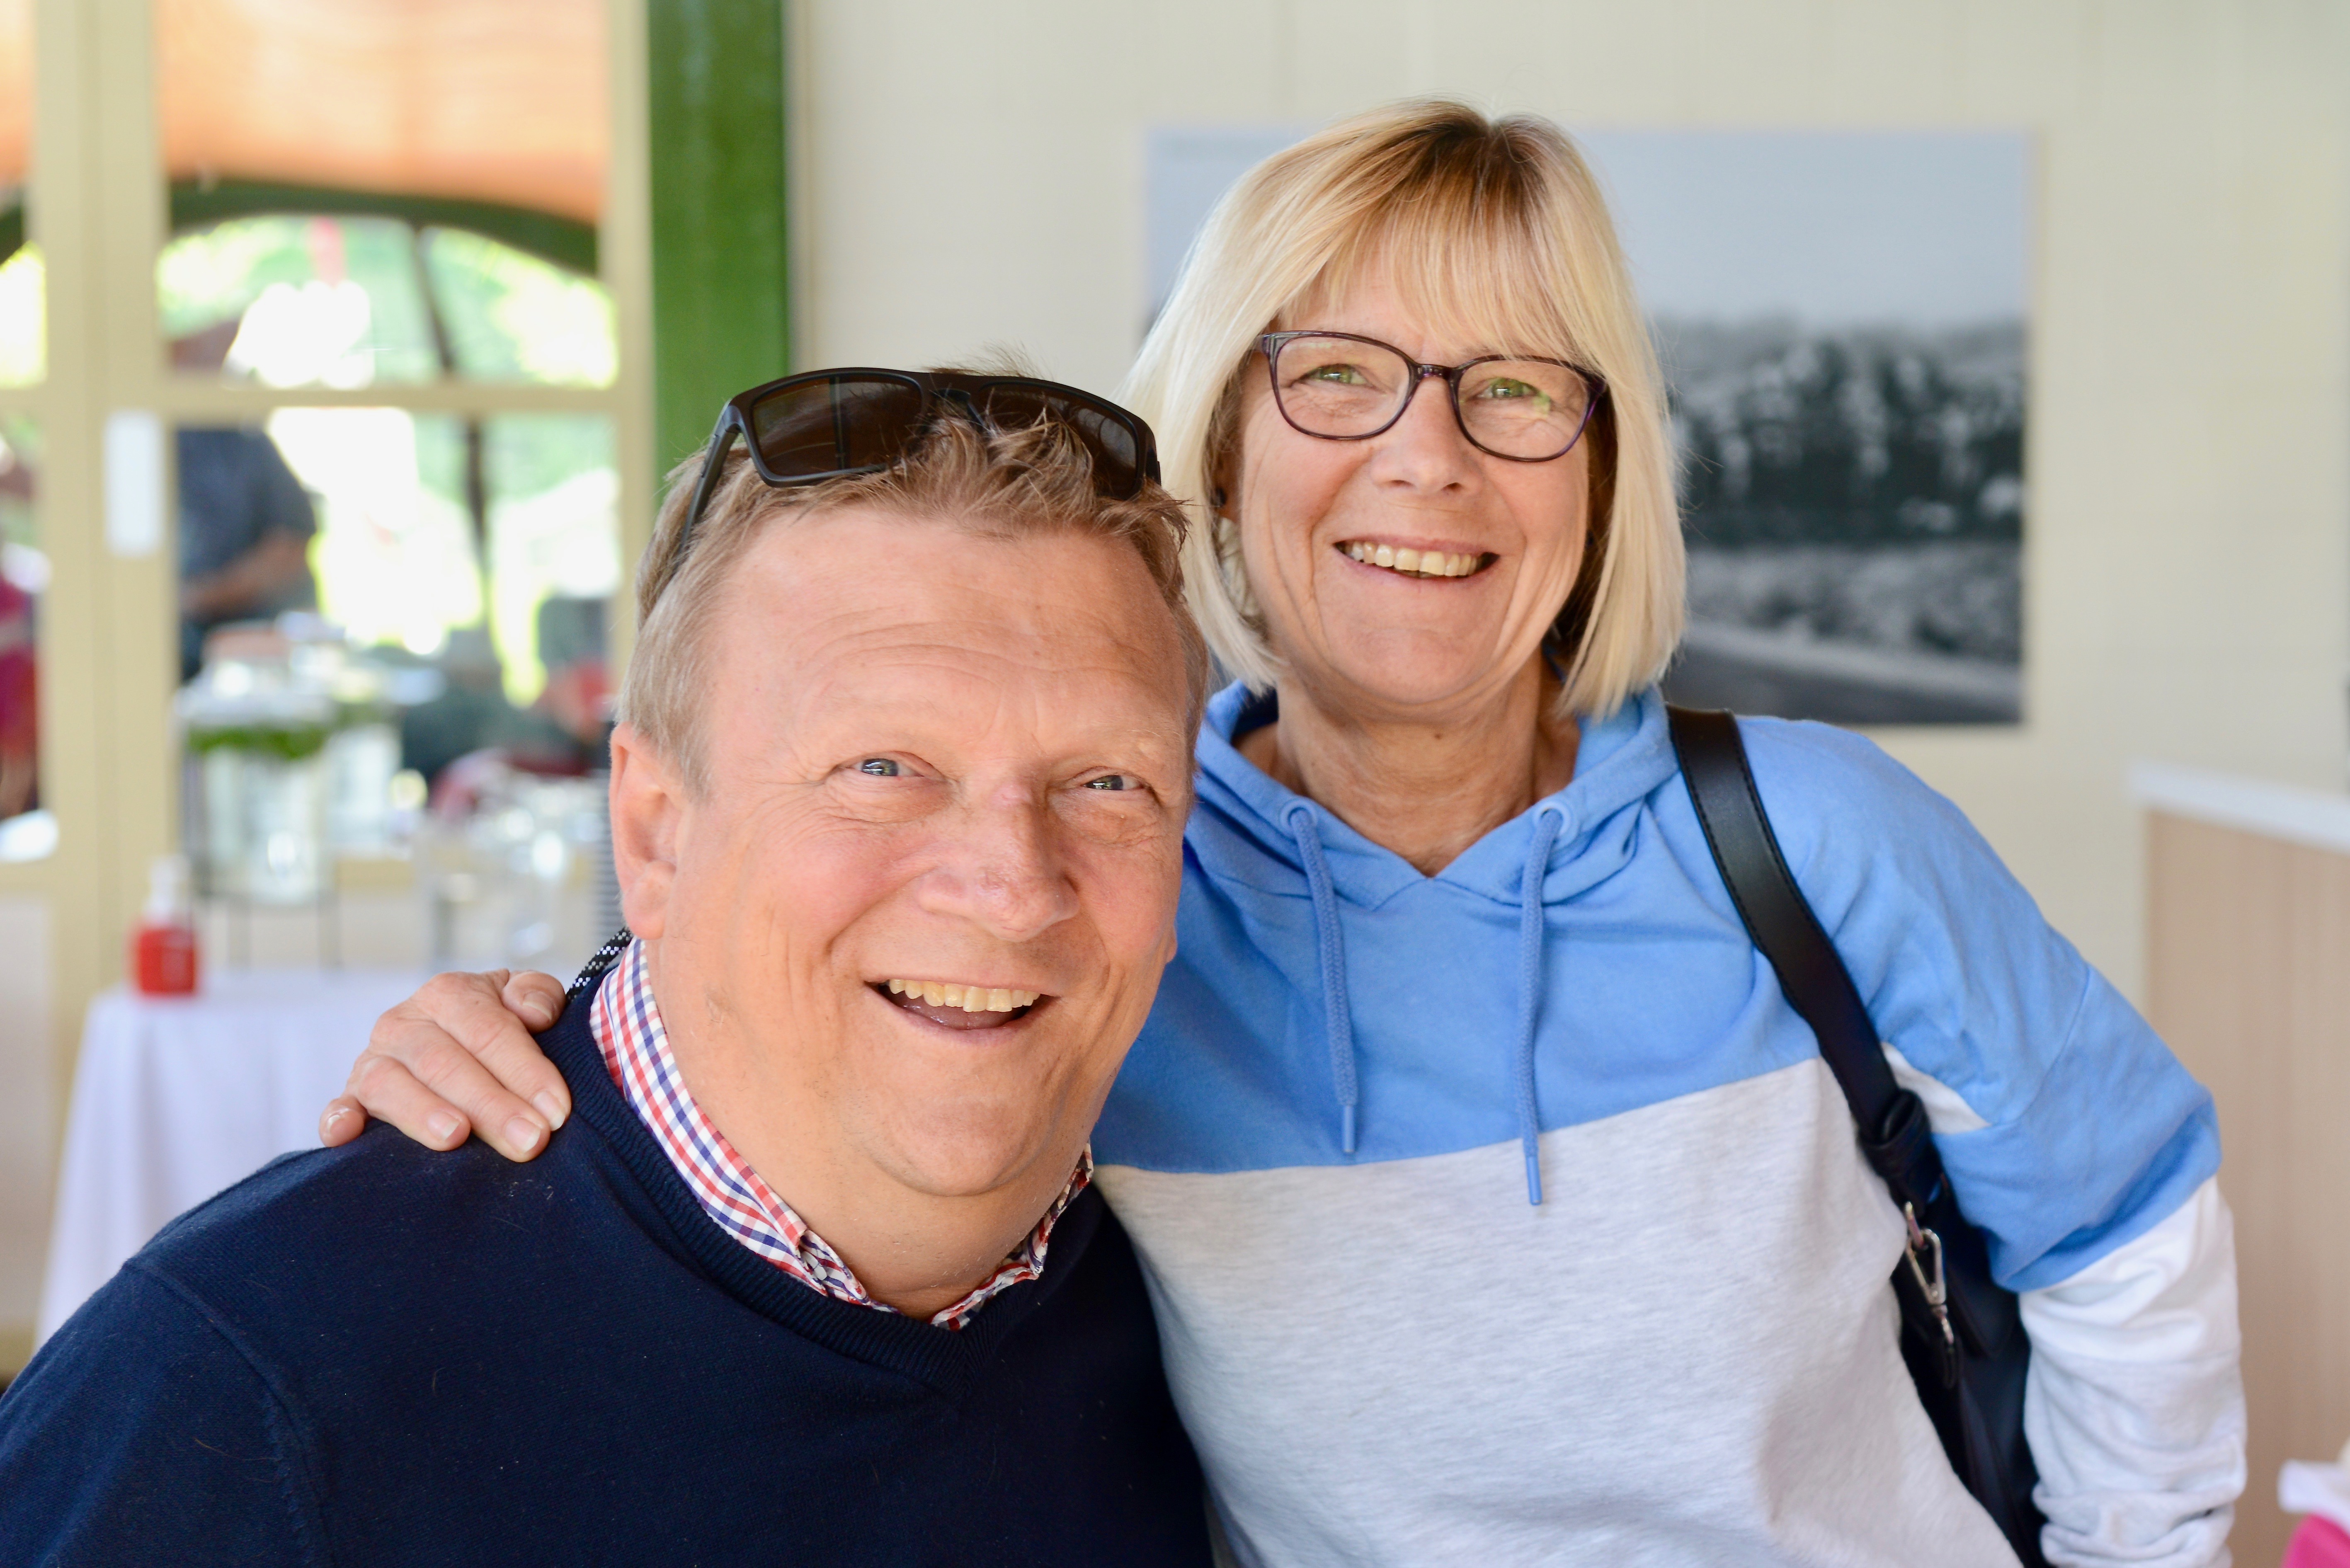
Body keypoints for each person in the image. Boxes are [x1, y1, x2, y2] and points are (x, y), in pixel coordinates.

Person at [327, 102, 2241, 1567]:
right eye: (1336, 374)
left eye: (1513, 391)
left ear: (1595, 473)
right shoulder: (1111, 877)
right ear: (1223, 448)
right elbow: (780, 1034)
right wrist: (519, 1028)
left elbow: (2125, 1229)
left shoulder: (1817, 838)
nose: (1427, 456)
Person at [0, 380, 1215, 1566]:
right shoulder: (250, 1387)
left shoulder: (1200, 1314)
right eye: (885, 768)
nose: (1012, 884)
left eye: (1110, 783)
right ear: (653, 832)